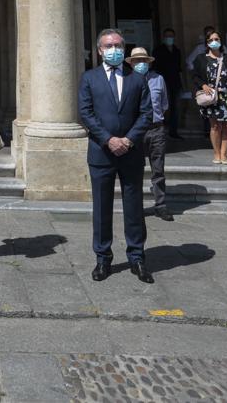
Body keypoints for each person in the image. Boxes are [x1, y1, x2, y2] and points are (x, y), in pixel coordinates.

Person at [78, 29, 153, 283]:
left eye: (118, 45)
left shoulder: (137, 79)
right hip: (102, 152)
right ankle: (103, 258)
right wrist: (108, 139)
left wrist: (129, 139)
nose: (114, 49)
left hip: (130, 153)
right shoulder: (90, 78)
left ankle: (137, 257)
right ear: (100, 50)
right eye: (109, 45)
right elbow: (86, 113)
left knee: (134, 207)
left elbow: (146, 114)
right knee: (101, 207)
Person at [130, 46, 172, 221]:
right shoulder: (126, 80)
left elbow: (164, 104)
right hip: (135, 131)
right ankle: (135, 206)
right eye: (137, 61)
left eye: (143, 60)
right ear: (131, 64)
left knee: (158, 169)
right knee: (134, 170)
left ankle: (160, 205)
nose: (141, 63)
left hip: (156, 128)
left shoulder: (158, 79)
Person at [191, 29, 227, 164]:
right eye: (211, 40)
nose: (214, 42)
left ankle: (224, 154)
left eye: (216, 39)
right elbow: (194, 76)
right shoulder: (201, 58)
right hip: (211, 96)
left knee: (226, 126)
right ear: (207, 43)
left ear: (221, 41)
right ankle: (216, 153)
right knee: (215, 126)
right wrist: (203, 85)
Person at [151, 28, 183, 139]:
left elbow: (179, 68)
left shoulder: (177, 51)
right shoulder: (158, 50)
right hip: (162, 82)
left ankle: (173, 131)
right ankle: (161, 129)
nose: (169, 38)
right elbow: (155, 67)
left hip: (175, 82)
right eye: (167, 36)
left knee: (176, 107)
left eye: (171, 36)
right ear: (164, 37)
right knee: (163, 106)